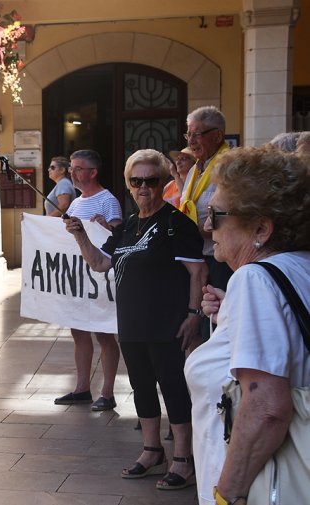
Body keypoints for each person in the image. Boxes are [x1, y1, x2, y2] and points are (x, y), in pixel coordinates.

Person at [65, 149, 206, 490]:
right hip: (131, 322)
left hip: (167, 321)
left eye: (151, 180)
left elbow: (198, 271)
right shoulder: (128, 225)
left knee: (172, 386)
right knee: (142, 386)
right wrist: (80, 235)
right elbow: (101, 265)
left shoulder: (176, 225)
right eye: (136, 181)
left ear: (162, 183)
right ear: (128, 185)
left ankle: (184, 460)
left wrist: (193, 314)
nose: (144, 187)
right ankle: (151, 450)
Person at [185, 147, 310, 505]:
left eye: (216, 214)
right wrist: (232, 316)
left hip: (262, 487)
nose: (208, 226)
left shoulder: (254, 280)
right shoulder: (296, 268)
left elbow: (267, 406)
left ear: (261, 228)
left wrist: (226, 495)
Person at [55, 149, 123, 411]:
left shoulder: (108, 200)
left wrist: (106, 226)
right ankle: (82, 388)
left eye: (78, 168)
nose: (72, 172)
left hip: (100, 277)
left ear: (92, 172)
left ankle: (107, 392)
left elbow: (116, 237)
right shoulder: (75, 203)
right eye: (71, 167)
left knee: (104, 334)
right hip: (78, 277)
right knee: (79, 331)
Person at [180, 106, 233, 296]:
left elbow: (230, 218)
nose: (191, 141)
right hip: (195, 256)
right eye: (188, 135)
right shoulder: (196, 168)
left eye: (197, 134)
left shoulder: (229, 167)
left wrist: (192, 231)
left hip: (220, 259)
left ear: (217, 136)